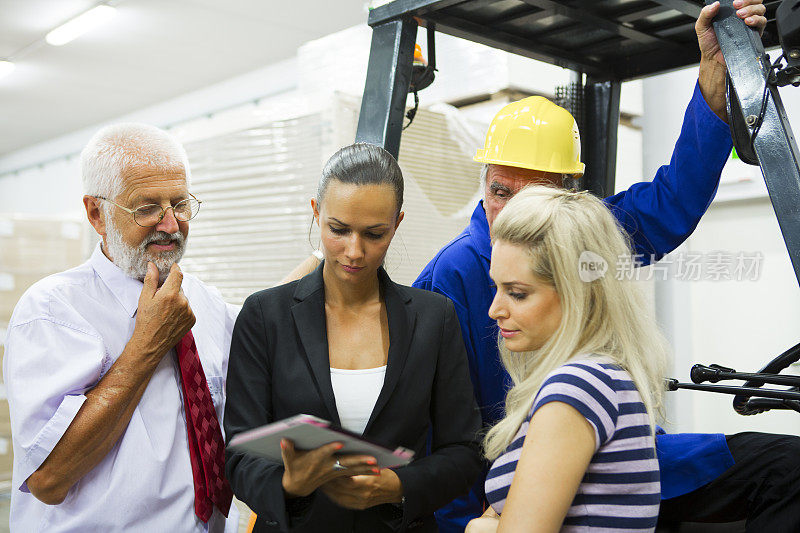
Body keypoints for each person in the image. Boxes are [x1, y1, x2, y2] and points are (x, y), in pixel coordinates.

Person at [417, 2, 800, 531]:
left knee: (786, 469)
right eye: (499, 191)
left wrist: (715, 78)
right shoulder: (453, 275)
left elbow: (671, 202)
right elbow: (439, 428)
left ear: (568, 196)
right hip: (518, 473)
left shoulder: (581, 241)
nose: (512, 212)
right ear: (484, 183)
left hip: (613, 450)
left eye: (533, 195)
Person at [224, 143, 483, 532]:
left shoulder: (434, 319)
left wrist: (398, 486)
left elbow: (464, 450)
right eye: (338, 230)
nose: (354, 251)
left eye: (374, 234)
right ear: (316, 212)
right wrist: (288, 485)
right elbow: (240, 455)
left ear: (397, 223)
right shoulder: (265, 317)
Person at [3, 124, 239, 532]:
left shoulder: (206, 303)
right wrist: (147, 344)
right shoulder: (53, 311)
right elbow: (47, 479)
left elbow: (269, 325)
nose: (170, 224)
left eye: (180, 204)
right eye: (147, 208)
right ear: (97, 213)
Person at [465, 185, 668, 532]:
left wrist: (479, 528)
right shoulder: (605, 378)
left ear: (577, 292)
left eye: (517, 294)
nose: (494, 309)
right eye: (496, 288)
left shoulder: (578, 387)